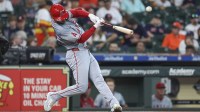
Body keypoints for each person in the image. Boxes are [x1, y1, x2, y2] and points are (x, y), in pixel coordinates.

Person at [43, 3, 122, 112]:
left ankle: (114, 104)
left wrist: (90, 16)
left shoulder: (63, 14)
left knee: (99, 79)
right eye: (60, 17)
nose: (63, 19)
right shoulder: (60, 29)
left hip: (85, 51)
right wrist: (95, 26)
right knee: (82, 87)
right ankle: (54, 96)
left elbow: (77, 11)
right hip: (75, 53)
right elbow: (81, 39)